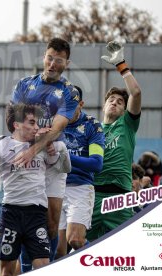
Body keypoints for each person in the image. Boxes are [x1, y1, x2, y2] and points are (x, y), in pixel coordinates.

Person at [11, 37, 79, 269]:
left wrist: (35, 147)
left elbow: (57, 128)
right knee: (24, 216)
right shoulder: (24, 85)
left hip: (51, 157)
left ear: (66, 63)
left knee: (51, 221)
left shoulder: (69, 93)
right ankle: (28, 268)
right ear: (44, 57)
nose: (52, 64)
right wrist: (31, 138)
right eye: (49, 58)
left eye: (58, 60)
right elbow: (14, 121)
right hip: (27, 154)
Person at [0, 104, 70, 275]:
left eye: (37, 123)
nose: (36, 128)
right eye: (32, 123)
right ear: (16, 124)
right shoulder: (0, 143)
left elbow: (65, 168)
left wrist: (55, 147)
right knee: (7, 270)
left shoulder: (42, 146)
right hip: (11, 213)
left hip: (37, 214)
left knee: (43, 266)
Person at [86, 41, 142, 241]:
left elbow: (136, 93)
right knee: (76, 245)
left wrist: (122, 66)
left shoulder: (127, 125)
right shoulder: (92, 129)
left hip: (119, 199)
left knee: (124, 251)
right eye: (111, 100)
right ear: (103, 106)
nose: (115, 103)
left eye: (120, 102)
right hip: (92, 196)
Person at [56, 86, 105, 258]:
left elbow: (96, 164)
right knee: (57, 251)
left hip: (80, 187)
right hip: (55, 188)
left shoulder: (93, 126)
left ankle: (102, 263)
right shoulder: (53, 123)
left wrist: (65, 156)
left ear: (81, 104)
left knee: (75, 240)